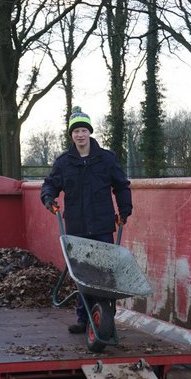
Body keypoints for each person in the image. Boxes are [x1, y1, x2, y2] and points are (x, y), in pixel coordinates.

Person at [40, 107, 132, 334]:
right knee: (82, 274)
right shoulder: (64, 162)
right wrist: (48, 198)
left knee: (103, 273)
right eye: (76, 131)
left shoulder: (106, 159)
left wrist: (125, 210)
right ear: (71, 135)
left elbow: (121, 186)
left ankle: (104, 315)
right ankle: (84, 318)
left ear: (90, 132)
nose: (80, 135)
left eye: (83, 130)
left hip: (102, 225)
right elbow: (50, 184)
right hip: (77, 226)